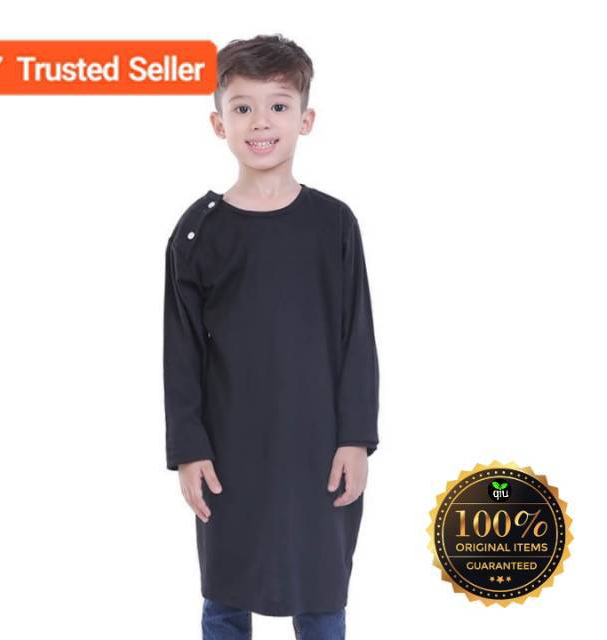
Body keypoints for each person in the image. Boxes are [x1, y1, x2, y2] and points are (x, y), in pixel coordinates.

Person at [163, 33, 380, 640]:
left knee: (320, 585)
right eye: (243, 107)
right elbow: (180, 351)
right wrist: (189, 447)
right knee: (226, 589)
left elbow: (357, 338)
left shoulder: (334, 224)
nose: (261, 121)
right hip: (228, 448)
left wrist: (356, 439)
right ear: (219, 123)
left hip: (318, 444)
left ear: (305, 119)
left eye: (278, 106)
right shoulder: (197, 232)